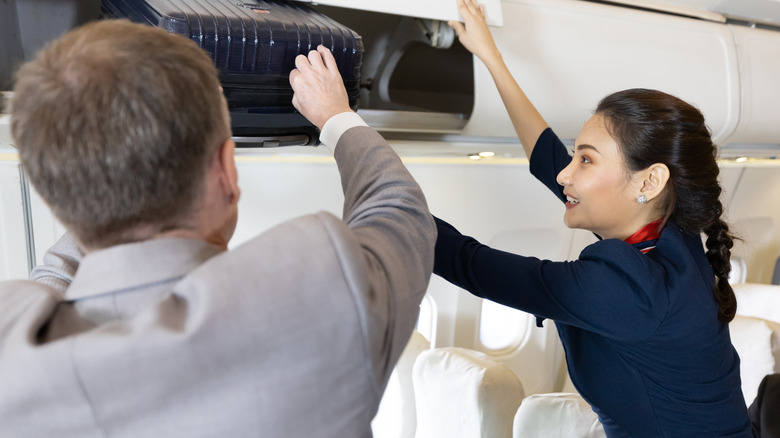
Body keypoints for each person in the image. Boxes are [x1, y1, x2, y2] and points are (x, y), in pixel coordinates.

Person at [0, 19, 435, 437]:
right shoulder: (321, 288)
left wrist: (96, 184)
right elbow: (397, 209)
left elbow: (51, 283)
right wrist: (336, 118)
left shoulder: (11, 343)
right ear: (227, 170)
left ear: (52, 201)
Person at [433, 0, 753, 436]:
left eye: (586, 160)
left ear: (650, 181)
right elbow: (549, 161)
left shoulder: (629, 288)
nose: (565, 173)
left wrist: (344, 133)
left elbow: (465, 261)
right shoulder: (671, 233)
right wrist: (490, 56)